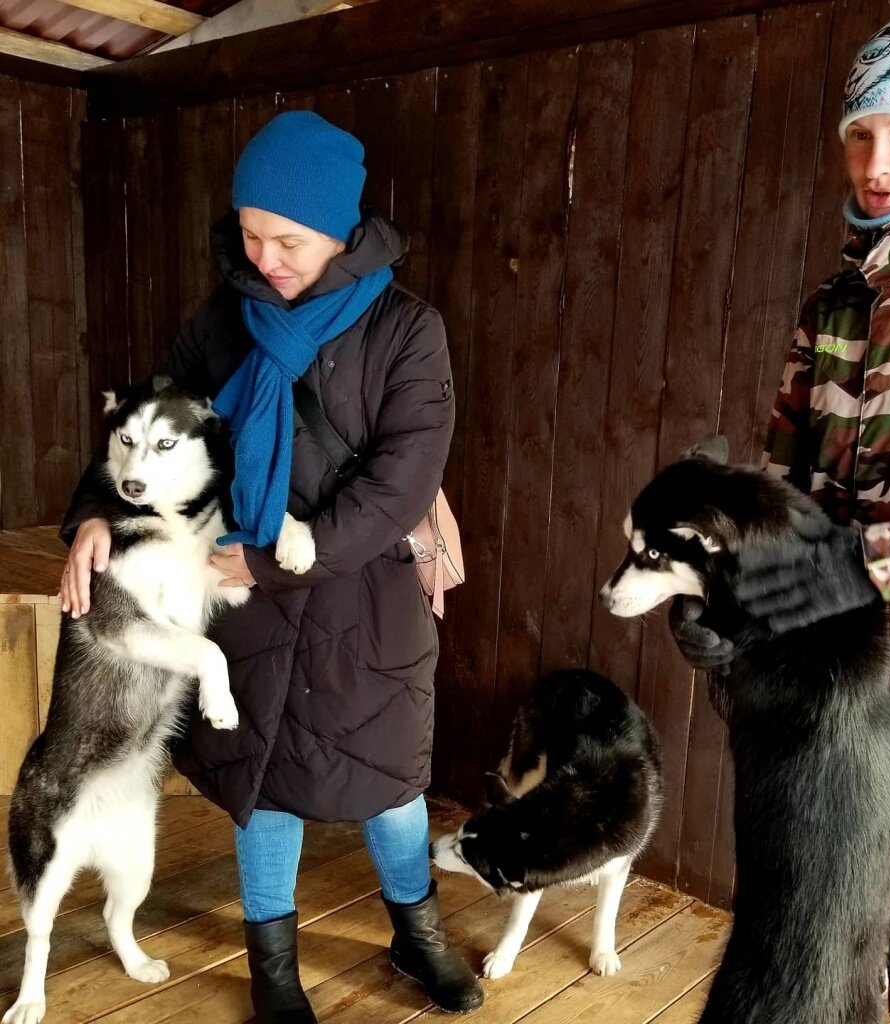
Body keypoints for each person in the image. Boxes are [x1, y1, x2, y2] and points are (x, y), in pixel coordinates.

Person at [58, 110, 483, 1021]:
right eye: (250, 235)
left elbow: (402, 483)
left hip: (363, 601)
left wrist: (277, 561)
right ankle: (274, 966)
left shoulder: (410, 331)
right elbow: (151, 419)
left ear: (338, 228)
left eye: (285, 239)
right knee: (266, 787)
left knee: (392, 785)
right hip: (243, 598)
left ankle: (419, 937)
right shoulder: (223, 317)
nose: (265, 257)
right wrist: (97, 511)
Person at [672, 10, 890, 1023]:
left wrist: (849, 571)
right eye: (858, 133)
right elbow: (781, 504)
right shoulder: (839, 300)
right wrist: (731, 603)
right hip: (831, 715)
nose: (875, 161)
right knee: (821, 969)